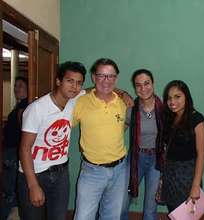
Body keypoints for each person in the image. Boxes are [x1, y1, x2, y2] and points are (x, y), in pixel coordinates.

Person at [18, 61, 87, 220]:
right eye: (70, 81)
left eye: (78, 83)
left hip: (61, 174)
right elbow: (24, 149)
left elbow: (96, 89)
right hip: (34, 174)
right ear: (58, 81)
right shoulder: (37, 109)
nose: (74, 87)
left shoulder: (74, 100)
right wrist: (33, 185)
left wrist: (123, 94)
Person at [73, 58, 128, 220]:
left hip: (120, 170)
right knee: (83, 217)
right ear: (93, 77)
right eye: (101, 76)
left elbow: (125, 125)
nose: (106, 81)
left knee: (112, 217)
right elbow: (64, 126)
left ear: (116, 78)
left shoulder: (123, 103)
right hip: (92, 172)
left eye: (111, 76)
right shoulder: (80, 102)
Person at [121, 69, 164, 220]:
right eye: (138, 85)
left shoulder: (164, 109)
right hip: (135, 158)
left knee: (151, 209)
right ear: (134, 87)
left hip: (156, 161)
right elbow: (118, 132)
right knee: (122, 203)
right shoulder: (131, 109)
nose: (143, 88)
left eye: (146, 83)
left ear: (153, 84)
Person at [161, 80, 204, 212]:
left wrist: (196, 185)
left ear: (186, 96)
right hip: (170, 176)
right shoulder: (171, 118)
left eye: (177, 96)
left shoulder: (197, 120)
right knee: (174, 212)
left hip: (187, 177)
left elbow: (202, 154)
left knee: (187, 215)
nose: (172, 101)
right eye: (169, 98)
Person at [1, 76, 28, 220]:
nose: (17, 89)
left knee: (9, 189)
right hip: (11, 152)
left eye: (21, 86)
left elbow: (24, 132)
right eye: (16, 86)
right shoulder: (19, 106)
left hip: (14, 153)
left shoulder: (23, 108)